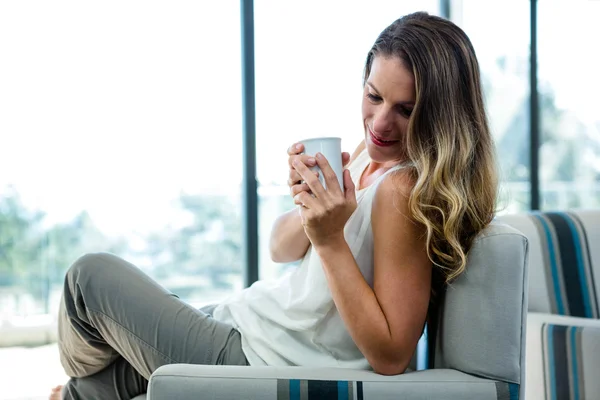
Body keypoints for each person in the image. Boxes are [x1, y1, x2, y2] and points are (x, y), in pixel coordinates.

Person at [50, 11, 498, 399]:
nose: (380, 123)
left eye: (406, 109)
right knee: (96, 387)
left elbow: (392, 356)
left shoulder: (402, 190)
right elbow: (279, 249)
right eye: (374, 96)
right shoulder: (368, 155)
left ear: (440, 114)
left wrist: (329, 241)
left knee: (87, 277)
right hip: (249, 324)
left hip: (257, 357)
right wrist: (307, 200)